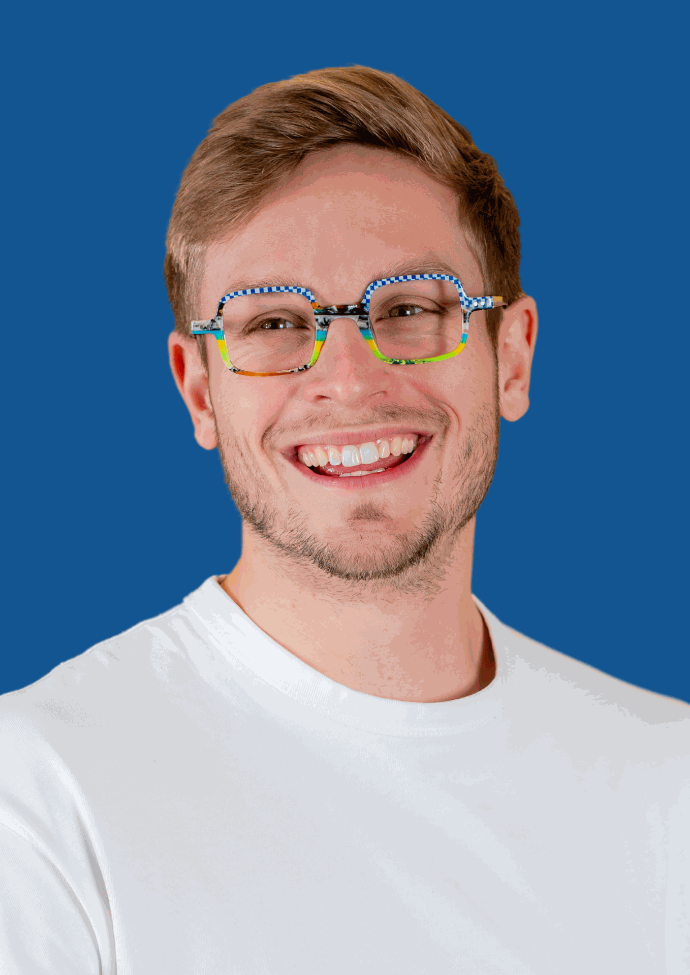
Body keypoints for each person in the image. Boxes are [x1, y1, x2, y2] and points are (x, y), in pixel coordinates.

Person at [0, 66, 688, 974]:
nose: (351, 380)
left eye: (409, 308)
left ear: (512, 359)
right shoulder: (42, 795)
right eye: (274, 323)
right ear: (198, 390)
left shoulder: (667, 784)